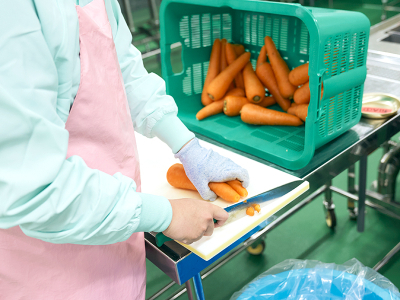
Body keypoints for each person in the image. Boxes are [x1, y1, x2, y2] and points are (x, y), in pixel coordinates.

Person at [0, 0, 249, 299]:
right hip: (47, 267)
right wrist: (165, 215)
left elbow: (122, 68)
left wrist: (186, 146)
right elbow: (34, 190)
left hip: (114, 229)